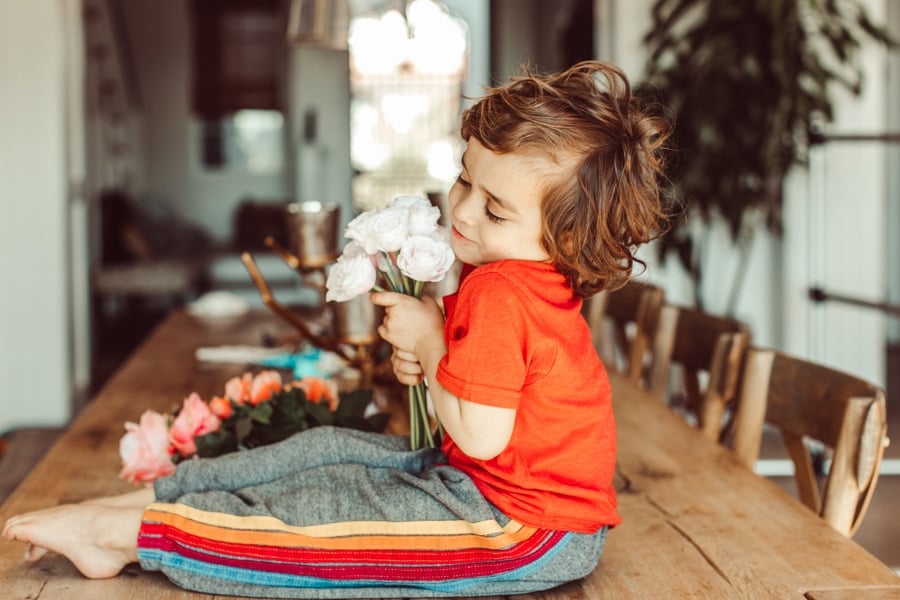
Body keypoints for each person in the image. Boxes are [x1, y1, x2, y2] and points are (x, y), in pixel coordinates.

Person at [3, 60, 669, 598]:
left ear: (566, 236)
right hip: (484, 489)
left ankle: (129, 534)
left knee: (320, 517)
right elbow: (485, 407)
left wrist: (433, 343)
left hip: (522, 529)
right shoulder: (513, 277)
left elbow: (481, 434)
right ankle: (143, 507)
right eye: (464, 180)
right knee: (321, 450)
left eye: (494, 209)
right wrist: (438, 351)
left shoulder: (501, 290)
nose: (462, 210)